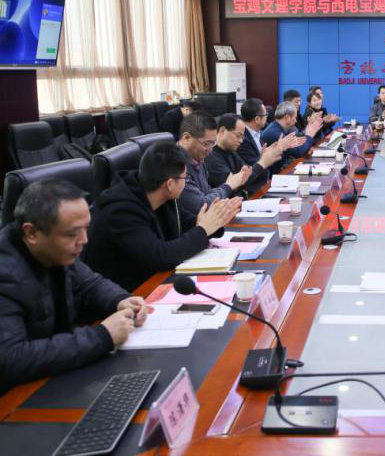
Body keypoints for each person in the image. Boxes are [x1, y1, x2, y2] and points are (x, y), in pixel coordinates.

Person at [0, 179, 148, 392]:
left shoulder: (56, 251)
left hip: (58, 371)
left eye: (86, 229)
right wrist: (102, 336)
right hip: (18, 395)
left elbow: (91, 283)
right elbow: (11, 359)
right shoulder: (6, 274)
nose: (84, 240)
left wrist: (121, 300)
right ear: (31, 233)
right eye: (72, 234)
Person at [84, 142, 241, 292]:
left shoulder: (162, 194)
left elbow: (188, 223)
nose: (186, 183)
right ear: (170, 184)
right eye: (185, 178)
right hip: (126, 294)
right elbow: (161, 256)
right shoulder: (121, 211)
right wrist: (203, 229)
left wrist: (216, 220)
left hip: (151, 281)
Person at [177, 111, 251, 214]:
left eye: (213, 143)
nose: (210, 149)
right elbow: (202, 205)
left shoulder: (198, 158)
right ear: (186, 138)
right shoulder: (176, 164)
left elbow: (207, 192)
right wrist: (228, 186)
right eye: (206, 144)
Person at [207, 114, 295, 195]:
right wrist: (263, 162)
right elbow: (234, 185)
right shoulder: (212, 157)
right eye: (238, 135)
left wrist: (262, 160)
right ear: (222, 131)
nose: (241, 141)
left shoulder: (230, 151)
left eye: (242, 137)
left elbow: (249, 176)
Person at [261, 101, 322, 174]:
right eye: (295, 118)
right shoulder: (275, 133)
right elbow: (299, 152)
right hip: (275, 174)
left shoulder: (278, 127)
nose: (296, 121)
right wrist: (309, 135)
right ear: (287, 118)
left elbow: (298, 142)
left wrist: (308, 133)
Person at [237, 98, 270, 166]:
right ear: (257, 119)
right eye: (266, 114)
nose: (266, 117)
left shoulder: (259, 132)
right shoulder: (243, 139)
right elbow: (252, 166)